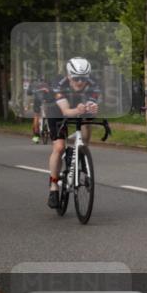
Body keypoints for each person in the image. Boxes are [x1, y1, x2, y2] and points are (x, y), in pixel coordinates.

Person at [47, 58, 101, 208]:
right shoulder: (58, 84)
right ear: (69, 76)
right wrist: (78, 110)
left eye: (83, 78)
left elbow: (92, 102)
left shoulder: (94, 84)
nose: (80, 82)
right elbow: (65, 111)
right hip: (56, 110)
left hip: (79, 106)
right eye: (76, 78)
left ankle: (81, 149)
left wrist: (92, 108)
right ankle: (53, 187)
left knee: (86, 121)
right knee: (58, 147)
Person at [28, 77, 51, 143]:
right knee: (48, 113)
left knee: (36, 116)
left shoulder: (33, 83)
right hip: (47, 100)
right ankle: (50, 129)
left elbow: (29, 92)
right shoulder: (47, 82)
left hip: (37, 101)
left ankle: (36, 137)